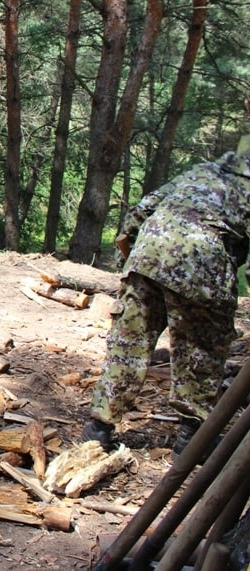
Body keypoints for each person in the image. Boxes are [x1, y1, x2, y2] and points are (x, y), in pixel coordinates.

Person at [82, 142, 250, 459]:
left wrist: (135, 263)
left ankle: (98, 429)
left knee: (127, 345)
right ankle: (192, 437)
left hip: (148, 250)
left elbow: (140, 213)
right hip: (202, 260)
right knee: (201, 350)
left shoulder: (203, 171)